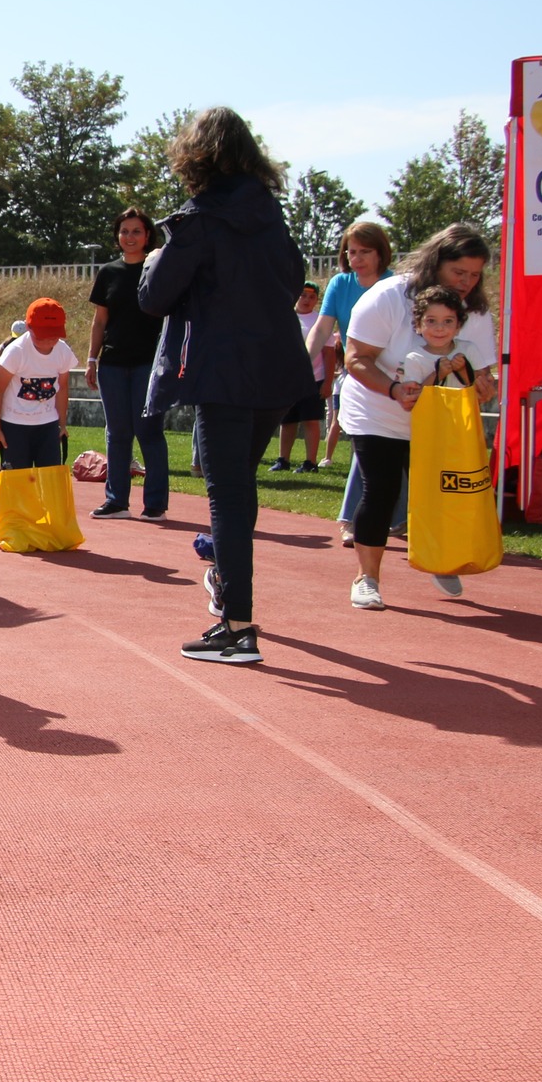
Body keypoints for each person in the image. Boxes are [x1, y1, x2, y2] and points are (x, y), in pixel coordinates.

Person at [139, 106, 314, 666]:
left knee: (229, 495)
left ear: (196, 157)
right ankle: (227, 586)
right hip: (279, 368)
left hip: (222, 371)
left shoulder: (199, 220)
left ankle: (237, 626)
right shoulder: (271, 215)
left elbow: (153, 298)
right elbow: (293, 281)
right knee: (239, 487)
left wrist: (160, 255)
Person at [339, 223, 500, 610]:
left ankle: (440, 559)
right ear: (436, 262)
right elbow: (356, 358)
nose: (466, 282)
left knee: (440, 493)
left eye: (474, 275)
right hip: (378, 411)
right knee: (382, 490)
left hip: (436, 421)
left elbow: (481, 372)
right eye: (458, 272)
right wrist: (395, 390)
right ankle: (367, 578)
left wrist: (484, 385)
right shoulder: (390, 296)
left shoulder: (474, 311)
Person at [84, 207, 169, 520]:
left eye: (136, 231)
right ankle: (117, 500)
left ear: (147, 235)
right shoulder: (108, 272)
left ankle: (155, 504)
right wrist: (92, 359)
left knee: (149, 430)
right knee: (118, 432)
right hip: (113, 363)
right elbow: (99, 321)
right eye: (124, 231)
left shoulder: (158, 269)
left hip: (150, 363)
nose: (129, 237)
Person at [320, 222, 394, 541]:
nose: (357, 258)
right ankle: (350, 518)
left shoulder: (395, 285)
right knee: (366, 444)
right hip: (359, 372)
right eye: (352, 252)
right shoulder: (340, 284)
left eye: (366, 251)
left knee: (395, 451)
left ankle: (399, 517)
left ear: (381, 254)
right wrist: (302, 361)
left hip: (396, 373)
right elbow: (322, 330)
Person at [0, 298, 78, 470]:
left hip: (48, 425)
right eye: (42, 336)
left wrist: (62, 424)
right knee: (18, 484)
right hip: (14, 426)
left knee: (50, 480)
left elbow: (62, 388)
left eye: (52, 337)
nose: (47, 342)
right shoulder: (16, 352)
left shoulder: (63, 351)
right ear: (28, 327)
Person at [271, 281, 334, 472]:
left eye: (312, 297)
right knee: (287, 420)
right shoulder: (285, 316)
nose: (307, 300)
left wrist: (328, 382)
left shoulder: (320, 320)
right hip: (288, 379)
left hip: (313, 379)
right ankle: (283, 459)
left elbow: (329, 354)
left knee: (310, 420)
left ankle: (310, 462)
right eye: (303, 295)